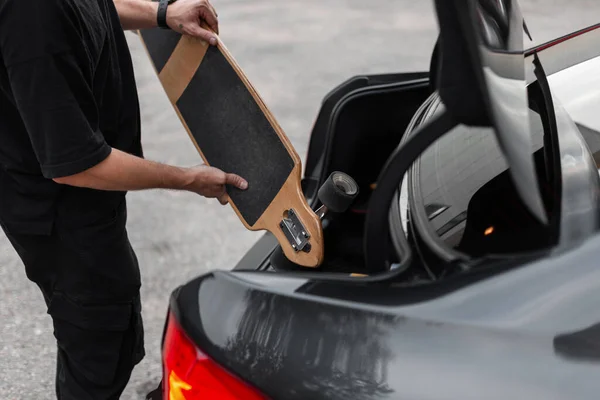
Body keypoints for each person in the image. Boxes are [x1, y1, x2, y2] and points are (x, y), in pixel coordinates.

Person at [0, 0, 246, 398]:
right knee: (98, 347)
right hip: (63, 216)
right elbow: (77, 165)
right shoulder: (33, 18)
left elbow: (89, 10)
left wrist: (161, 14)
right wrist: (189, 178)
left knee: (111, 329)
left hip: (89, 200)